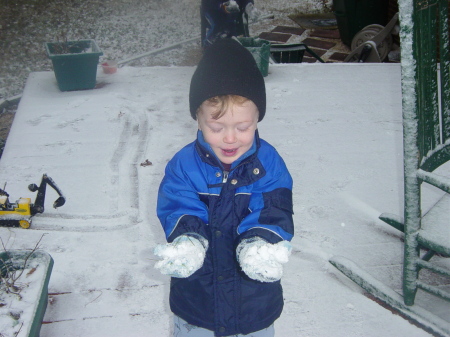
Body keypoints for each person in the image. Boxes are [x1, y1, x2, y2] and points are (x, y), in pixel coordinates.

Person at [154, 38, 294, 337]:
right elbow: (177, 204)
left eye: (242, 127)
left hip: (252, 303)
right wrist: (189, 240)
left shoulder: (269, 164)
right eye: (216, 128)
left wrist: (259, 244)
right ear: (198, 119)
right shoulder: (184, 165)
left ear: (257, 120)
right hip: (198, 300)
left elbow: (275, 208)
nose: (230, 138)